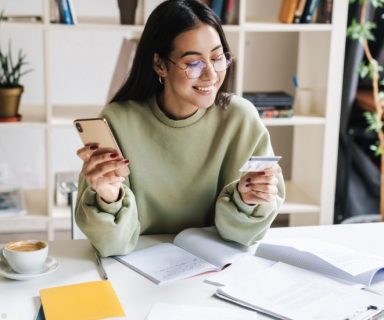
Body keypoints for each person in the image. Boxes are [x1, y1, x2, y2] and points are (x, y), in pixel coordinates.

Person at [75, 0, 285, 257]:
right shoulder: (118, 121)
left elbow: (242, 238)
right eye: (194, 63)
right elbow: (114, 245)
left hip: (217, 267)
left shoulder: (240, 119)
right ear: (160, 65)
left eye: (218, 58)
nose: (211, 75)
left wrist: (248, 200)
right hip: (136, 268)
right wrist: (109, 198)